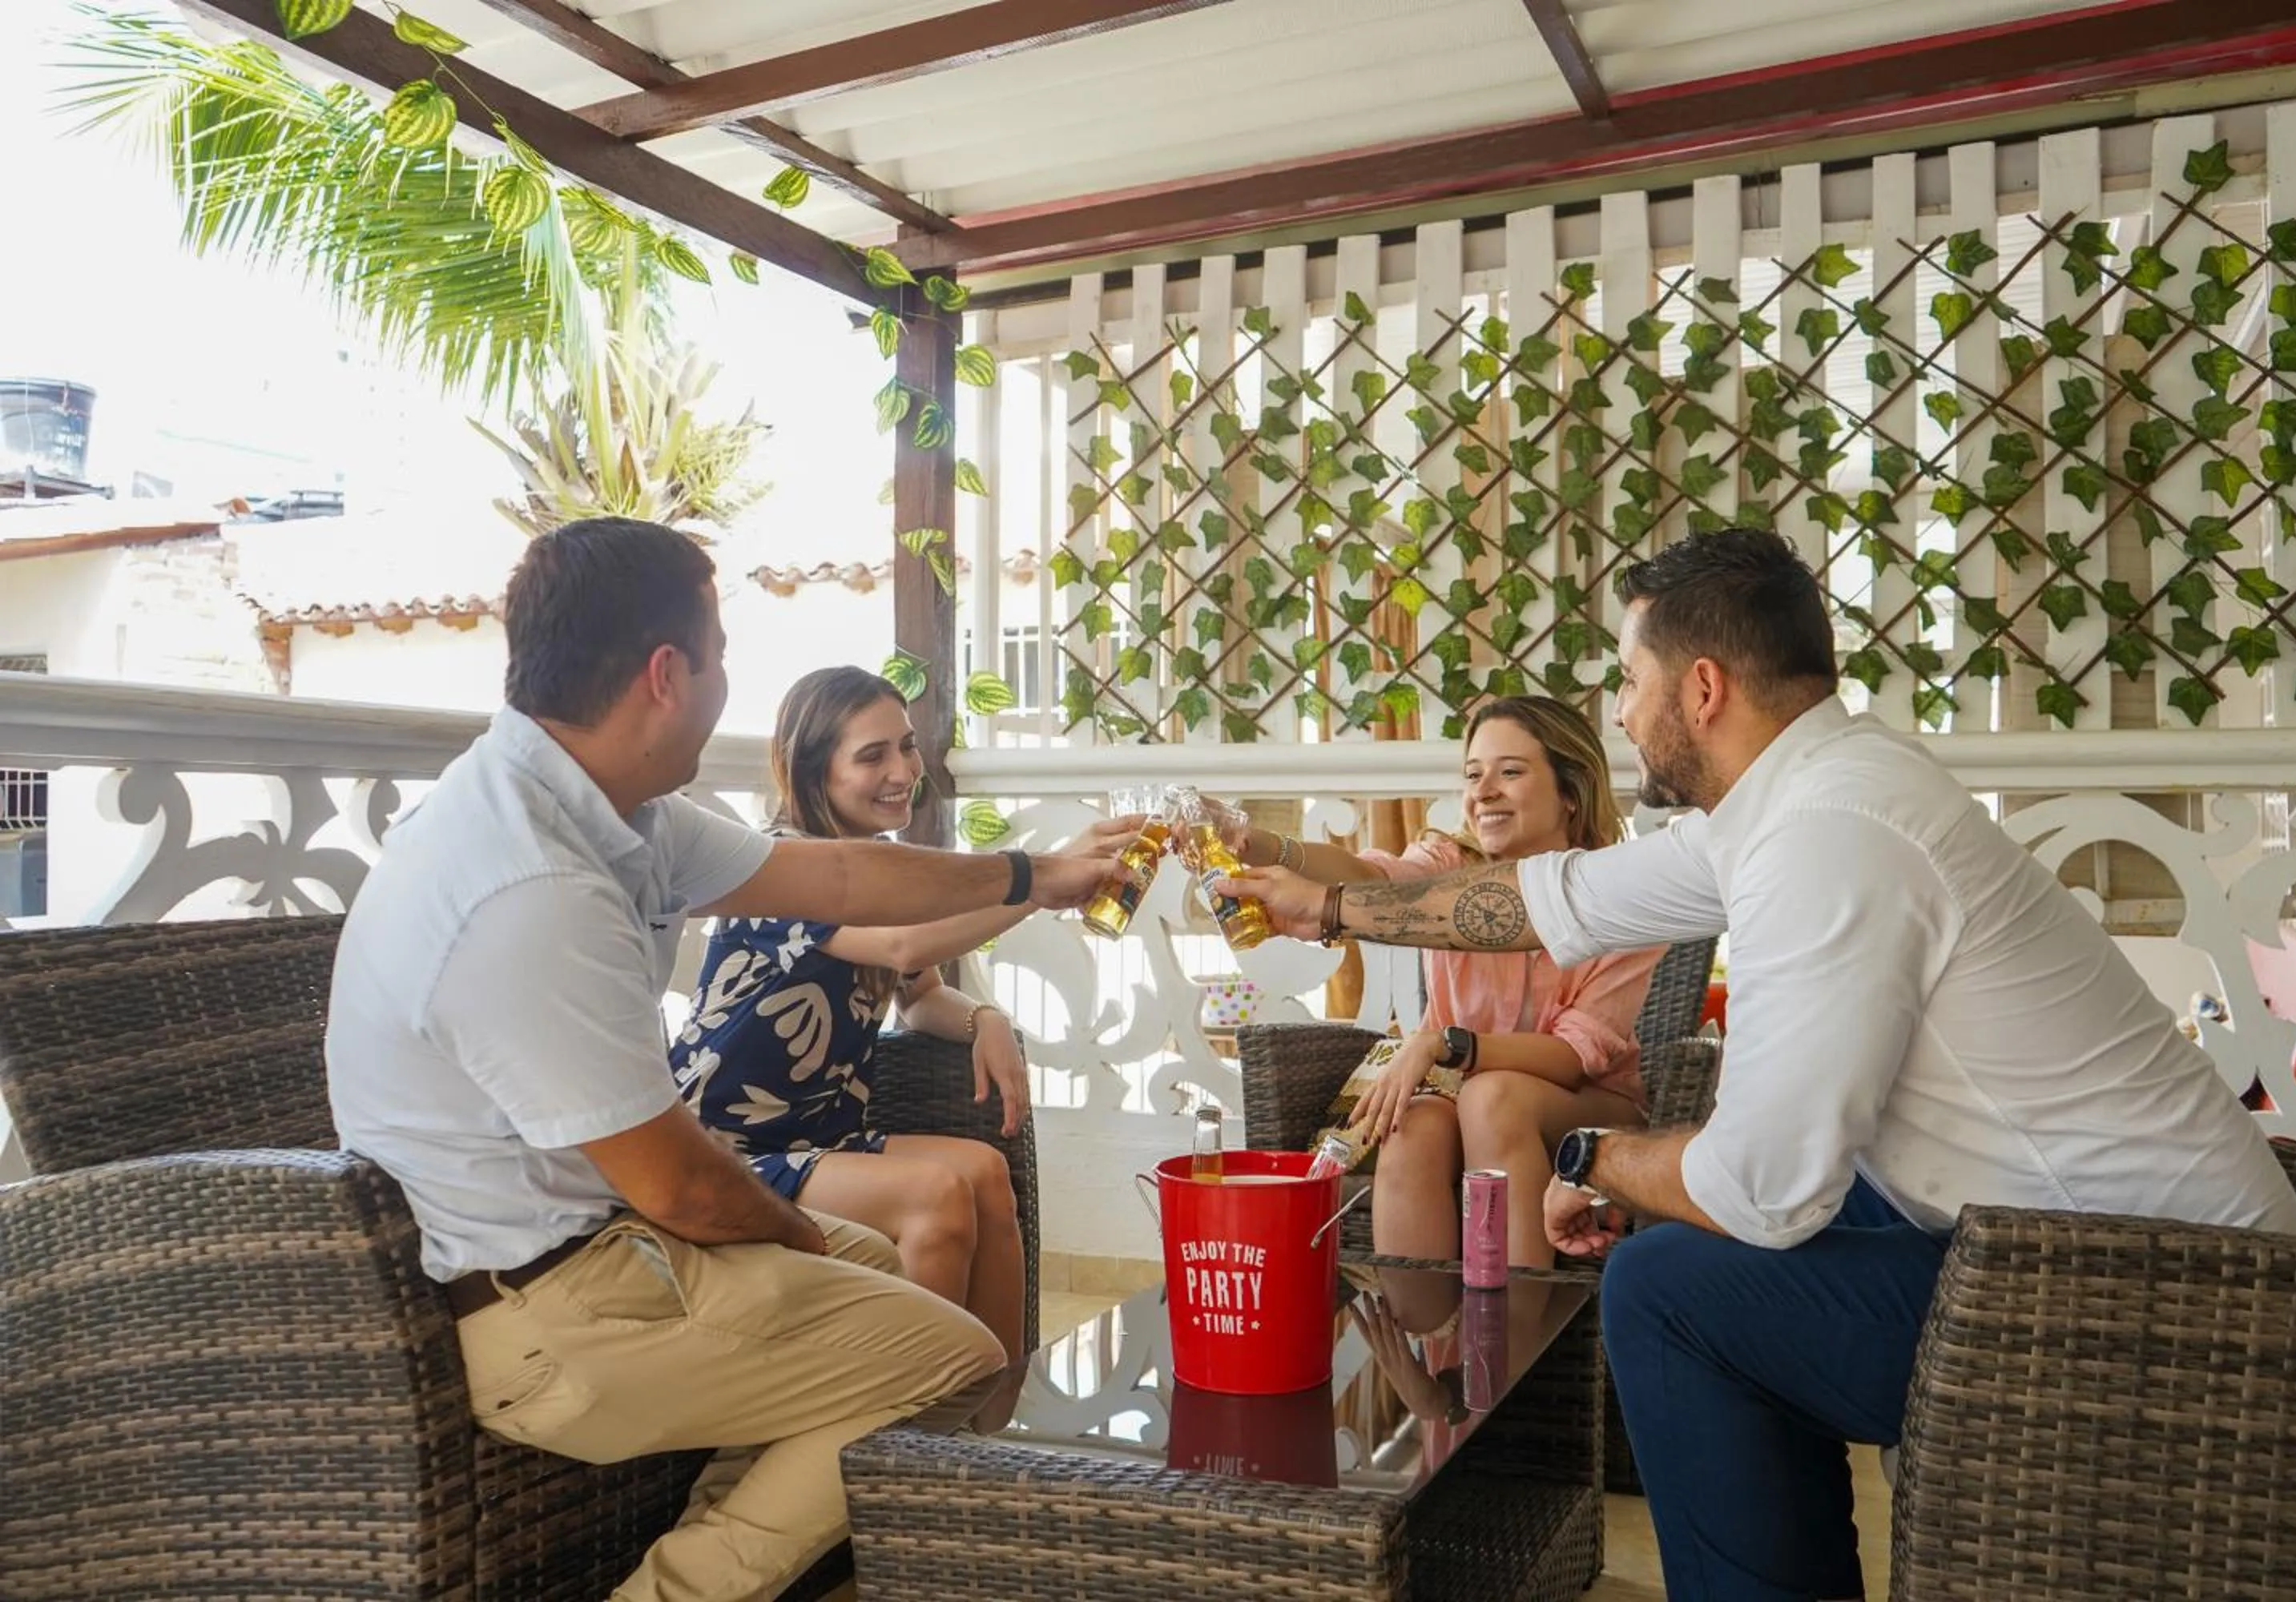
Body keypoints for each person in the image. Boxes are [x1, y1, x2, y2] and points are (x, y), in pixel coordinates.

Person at [1227, 527, 2296, 1602]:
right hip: (2059, 1241)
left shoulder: (1827, 835)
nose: (1617, 710)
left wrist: (1596, 1153)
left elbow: (1763, 1194)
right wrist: (1327, 907)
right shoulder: (1819, 791)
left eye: (1629, 678)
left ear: (1700, 688)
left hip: (2169, 1307)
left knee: (1663, 1290)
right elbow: (1538, 902)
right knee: (1722, 1252)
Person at [324, 517, 1120, 1602]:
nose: (724, 680)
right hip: (552, 1315)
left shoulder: (608, 810)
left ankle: (783, 1558)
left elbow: (839, 882)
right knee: (957, 1355)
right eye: (721, 654)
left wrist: (1032, 874)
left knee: (885, 1275)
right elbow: (677, 1184)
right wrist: (800, 1245)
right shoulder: (528, 887)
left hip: (608, 1243)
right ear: (667, 674)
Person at [675, 665, 1134, 1360]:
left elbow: (917, 992)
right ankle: (915, 1437)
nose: (904, 770)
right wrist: (1041, 881)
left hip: (821, 1137)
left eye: (907, 746)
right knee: (936, 1195)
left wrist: (986, 1019)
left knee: (985, 1172)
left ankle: (995, 1421)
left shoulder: (880, 867)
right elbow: (903, 942)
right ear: (813, 772)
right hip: (727, 1149)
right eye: (872, 755)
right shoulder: (783, 864)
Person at [1189, 696, 1662, 1274]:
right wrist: (1251, 840)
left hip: (1589, 1104)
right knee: (1411, 1125)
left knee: (1495, 1096)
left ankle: (1514, 1346)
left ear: (1570, 790)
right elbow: (1368, 880)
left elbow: (1572, 1057)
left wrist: (1441, 1044)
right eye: (1473, 774)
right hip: (1466, 1088)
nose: (1483, 790)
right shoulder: (1447, 867)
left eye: (1510, 771)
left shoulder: (1620, 895)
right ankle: (1424, 1345)